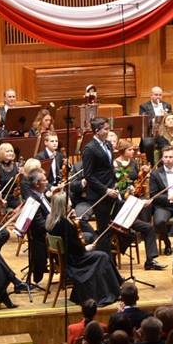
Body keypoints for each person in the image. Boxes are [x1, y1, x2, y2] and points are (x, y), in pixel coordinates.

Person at [46, 192, 120, 306]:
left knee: (97, 250)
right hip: (74, 262)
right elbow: (76, 249)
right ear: (63, 207)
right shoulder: (65, 224)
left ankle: (113, 286)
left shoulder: (51, 220)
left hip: (64, 258)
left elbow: (71, 244)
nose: (71, 207)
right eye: (69, 205)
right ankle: (110, 292)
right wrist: (86, 248)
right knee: (103, 256)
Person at [82, 117, 120, 253]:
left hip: (112, 191)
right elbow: (89, 175)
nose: (108, 131)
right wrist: (105, 190)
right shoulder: (89, 149)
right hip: (99, 194)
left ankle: (111, 256)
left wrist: (115, 184)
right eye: (106, 129)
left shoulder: (108, 144)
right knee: (104, 229)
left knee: (118, 225)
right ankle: (105, 260)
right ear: (97, 131)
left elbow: (109, 169)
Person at [149, 146, 173, 255]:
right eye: (165, 157)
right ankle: (167, 243)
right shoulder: (155, 174)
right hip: (164, 205)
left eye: (170, 157)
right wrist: (169, 197)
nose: (168, 159)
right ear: (162, 159)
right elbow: (153, 195)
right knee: (159, 221)